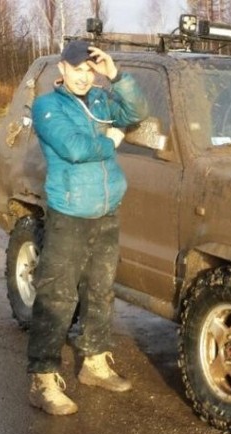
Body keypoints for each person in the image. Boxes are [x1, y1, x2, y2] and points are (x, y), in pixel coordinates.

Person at [27, 40, 149, 415]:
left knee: (100, 290)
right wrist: (111, 140)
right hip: (70, 212)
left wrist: (116, 75)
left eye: (89, 70)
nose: (83, 76)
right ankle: (43, 379)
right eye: (77, 69)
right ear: (62, 69)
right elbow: (75, 148)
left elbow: (137, 111)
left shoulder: (99, 99)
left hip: (106, 209)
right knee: (57, 296)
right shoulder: (48, 106)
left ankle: (95, 363)